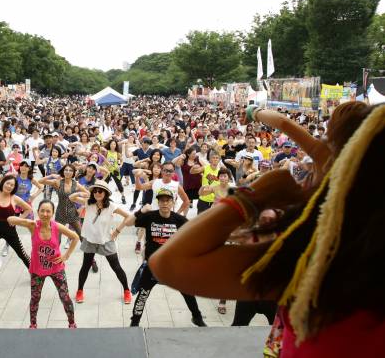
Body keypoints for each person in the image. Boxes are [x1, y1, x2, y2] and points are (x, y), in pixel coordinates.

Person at [149, 102, 385, 357]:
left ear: (342, 172)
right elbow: (300, 136)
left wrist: (253, 196)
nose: (313, 159)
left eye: (325, 148)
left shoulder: (314, 261)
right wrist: (260, 114)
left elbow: (169, 263)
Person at [114, 188, 206, 327]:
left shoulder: (179, 220)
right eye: (162, 200)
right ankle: (134, 322)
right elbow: (128, 223)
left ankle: (197, 317)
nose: (164, 203)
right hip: (153, 266)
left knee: (187, 292)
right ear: (158, 202)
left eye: (168, 200)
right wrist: (141, 211)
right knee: (143, 294)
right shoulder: (150, 216)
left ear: (172, 202)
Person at [9, 200, 79, 329]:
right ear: (38, 212)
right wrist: (25, 220)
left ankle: (72, 323)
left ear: (52, 213)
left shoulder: (57, 226)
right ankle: (33, 324)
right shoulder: (32, 226)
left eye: (48, 211)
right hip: (37, 270)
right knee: (35, 298)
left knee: (65, 297)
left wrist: (66, 255)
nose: (45, 214)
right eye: (42, 211)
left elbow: (75, 237)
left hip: (56, 268)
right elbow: (10, 219)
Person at [70, 180, 132, 305]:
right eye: (95, 191)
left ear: (106, 193)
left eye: (100, 191)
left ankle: (126, 290)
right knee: (85, 266)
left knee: (116, 267)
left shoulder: (111, 206)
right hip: (90, 240)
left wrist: (117, 231)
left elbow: (129, 217)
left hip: (106, 241)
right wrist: (86, 193)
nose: (97, 193)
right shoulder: (88, 203)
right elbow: (71, 197)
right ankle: (80, 290)